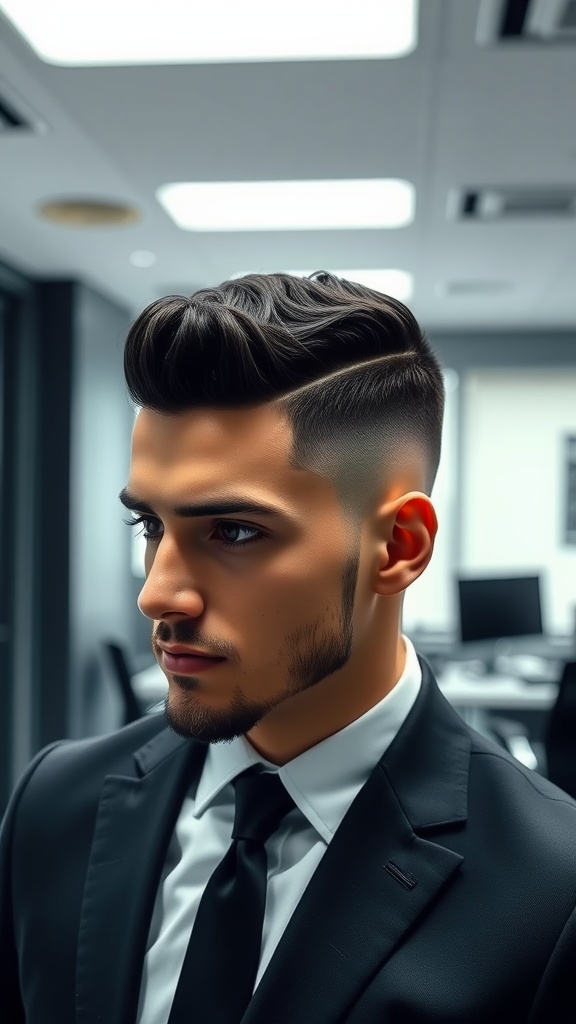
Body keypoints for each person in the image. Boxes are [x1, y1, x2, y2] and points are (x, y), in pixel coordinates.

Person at [1, 272, 576, 1024]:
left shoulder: (553, 892)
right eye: (151, 526)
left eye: (235, 531)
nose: (158, 593)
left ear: (399, 547)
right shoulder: (54, 805)